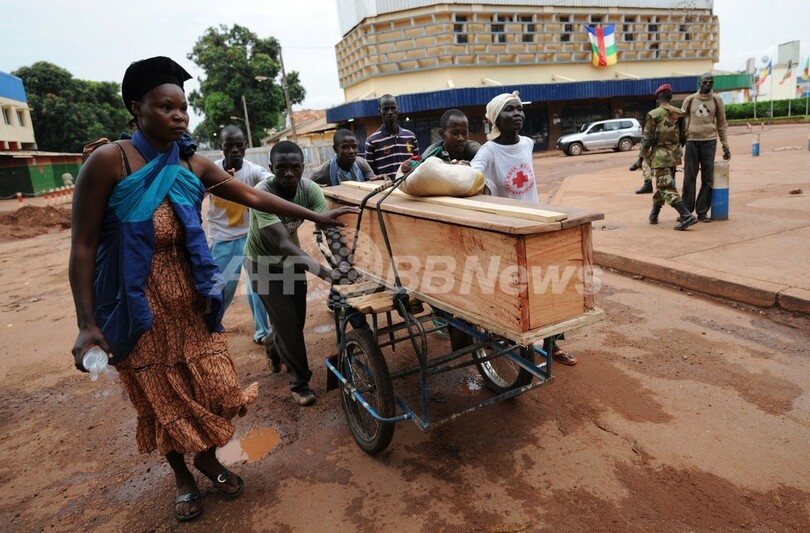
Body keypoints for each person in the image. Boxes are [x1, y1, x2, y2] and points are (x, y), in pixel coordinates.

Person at [68, 56, 353, 523]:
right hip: (135, 304)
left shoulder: (188, 162)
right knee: (163, 396)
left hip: (192, 300)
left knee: (213, 388)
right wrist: (86, 325)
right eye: (167, 107)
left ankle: (206, 456)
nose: (180, 116)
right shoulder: (109, 161)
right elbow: (81, 246)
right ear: (137, 108)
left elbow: (255, 196)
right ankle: (184, 475)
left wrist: (315, 215)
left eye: (183, 107)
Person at [470, 91, 576, 365]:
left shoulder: (528, 143)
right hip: (509, 232)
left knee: (549, 287)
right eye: (509, 110)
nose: (517, 114)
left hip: (537, 225)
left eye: (519, 109)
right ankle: (510, 340)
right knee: (514, 292)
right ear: (496, 119)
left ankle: (553, 345)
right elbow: (472, 173)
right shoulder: (489, 151)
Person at [244, 141, 349, 407]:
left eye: (295, 167)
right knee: (290, 328)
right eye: (282, 168)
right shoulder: (261, 194)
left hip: (291, 265)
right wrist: (326, 273)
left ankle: (271, 342)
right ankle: (299, 383)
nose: (289, 173)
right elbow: (284, 244)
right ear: (271, 168)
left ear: (303, 168)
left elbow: (329, 227)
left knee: (294, 322)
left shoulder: (309, 189)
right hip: (263, 263)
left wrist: (345, 262)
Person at [207, 125, 273, 346]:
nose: (235, 150)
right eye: (229, 146)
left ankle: (262, 332)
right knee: (220, 289)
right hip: (222, 239)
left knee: (258, 286)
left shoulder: (252, 170)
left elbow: (268, 178)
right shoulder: (211, 171)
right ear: (221, 148)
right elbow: (194, 192)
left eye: (239, 145)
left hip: (250, 237)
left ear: (245, 147)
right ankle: (209, 330)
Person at [630, 83, 697, 230]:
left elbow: (647, 139)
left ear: (659, 97)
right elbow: (684, 136)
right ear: (670, 97)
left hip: (660, 156)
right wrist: (675, 150)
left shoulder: (654, 114)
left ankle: (686, 216)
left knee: (665, 187)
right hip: (674, 155)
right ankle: (654, 214)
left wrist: (640, 159)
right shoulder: (679, 113)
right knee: (663, 184)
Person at [680, 73, 731, 221]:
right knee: (689, 177)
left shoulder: (717, 100)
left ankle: (702, 211)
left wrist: (725, 145)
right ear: (699, 84)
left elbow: (722, 124)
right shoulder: (689, 100)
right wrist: (679, 143)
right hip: (691, 141)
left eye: (710, 82)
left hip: (709, 142)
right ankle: (686, 211)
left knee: (707, 178)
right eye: (705, 82)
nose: (708, 85)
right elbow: (680, 122)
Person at [364, 94, 419, 179]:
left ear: (398, 109)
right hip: (386, 190)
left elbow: (417, 164)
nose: (390, 112)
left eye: (393, 108)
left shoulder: (411, 136)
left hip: (409, 188)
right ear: (380, 112)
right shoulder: (372, 141)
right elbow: (368, 174)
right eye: (385, 109)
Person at [311, 129, 378, 186]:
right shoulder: (323, 172)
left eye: (354, 146)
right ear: (335, 149)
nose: (351, 151)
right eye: (345, 147)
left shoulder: (362, 164)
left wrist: (380, 181)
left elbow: (373, 184)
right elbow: (307, 189)